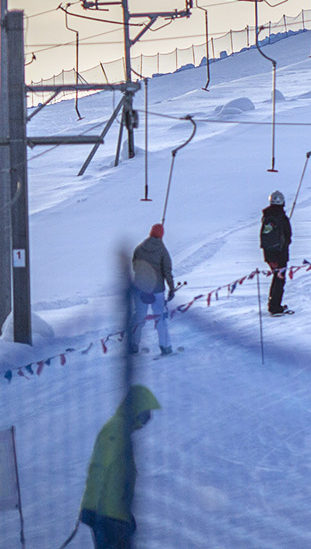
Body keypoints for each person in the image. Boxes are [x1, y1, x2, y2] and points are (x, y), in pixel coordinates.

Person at [79, 385, 161, 549]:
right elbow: (100, 468)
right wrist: (92, 508)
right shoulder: (116, 429)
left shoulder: (121, 430)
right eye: (146, 413)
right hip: (107, 517)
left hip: (112, 516)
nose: (148, 419)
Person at [129, 224, 175, 355]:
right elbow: (167, 271)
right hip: (157, 290)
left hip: (140, 289)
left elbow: (135, 267)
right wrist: (172, 288)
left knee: (138, 316)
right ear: (161, 235)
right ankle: (165, 347)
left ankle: (133, 344)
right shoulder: (163, 251)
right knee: (160, 317)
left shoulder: (139, 248)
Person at [260, 189, 293, 314]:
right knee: (279, 280)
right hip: (281, 254)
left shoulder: (267, 216)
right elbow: (288, 236)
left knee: (276, 278)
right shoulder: (281, 217)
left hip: (268, 253)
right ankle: (275, 306)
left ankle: (273, 304)